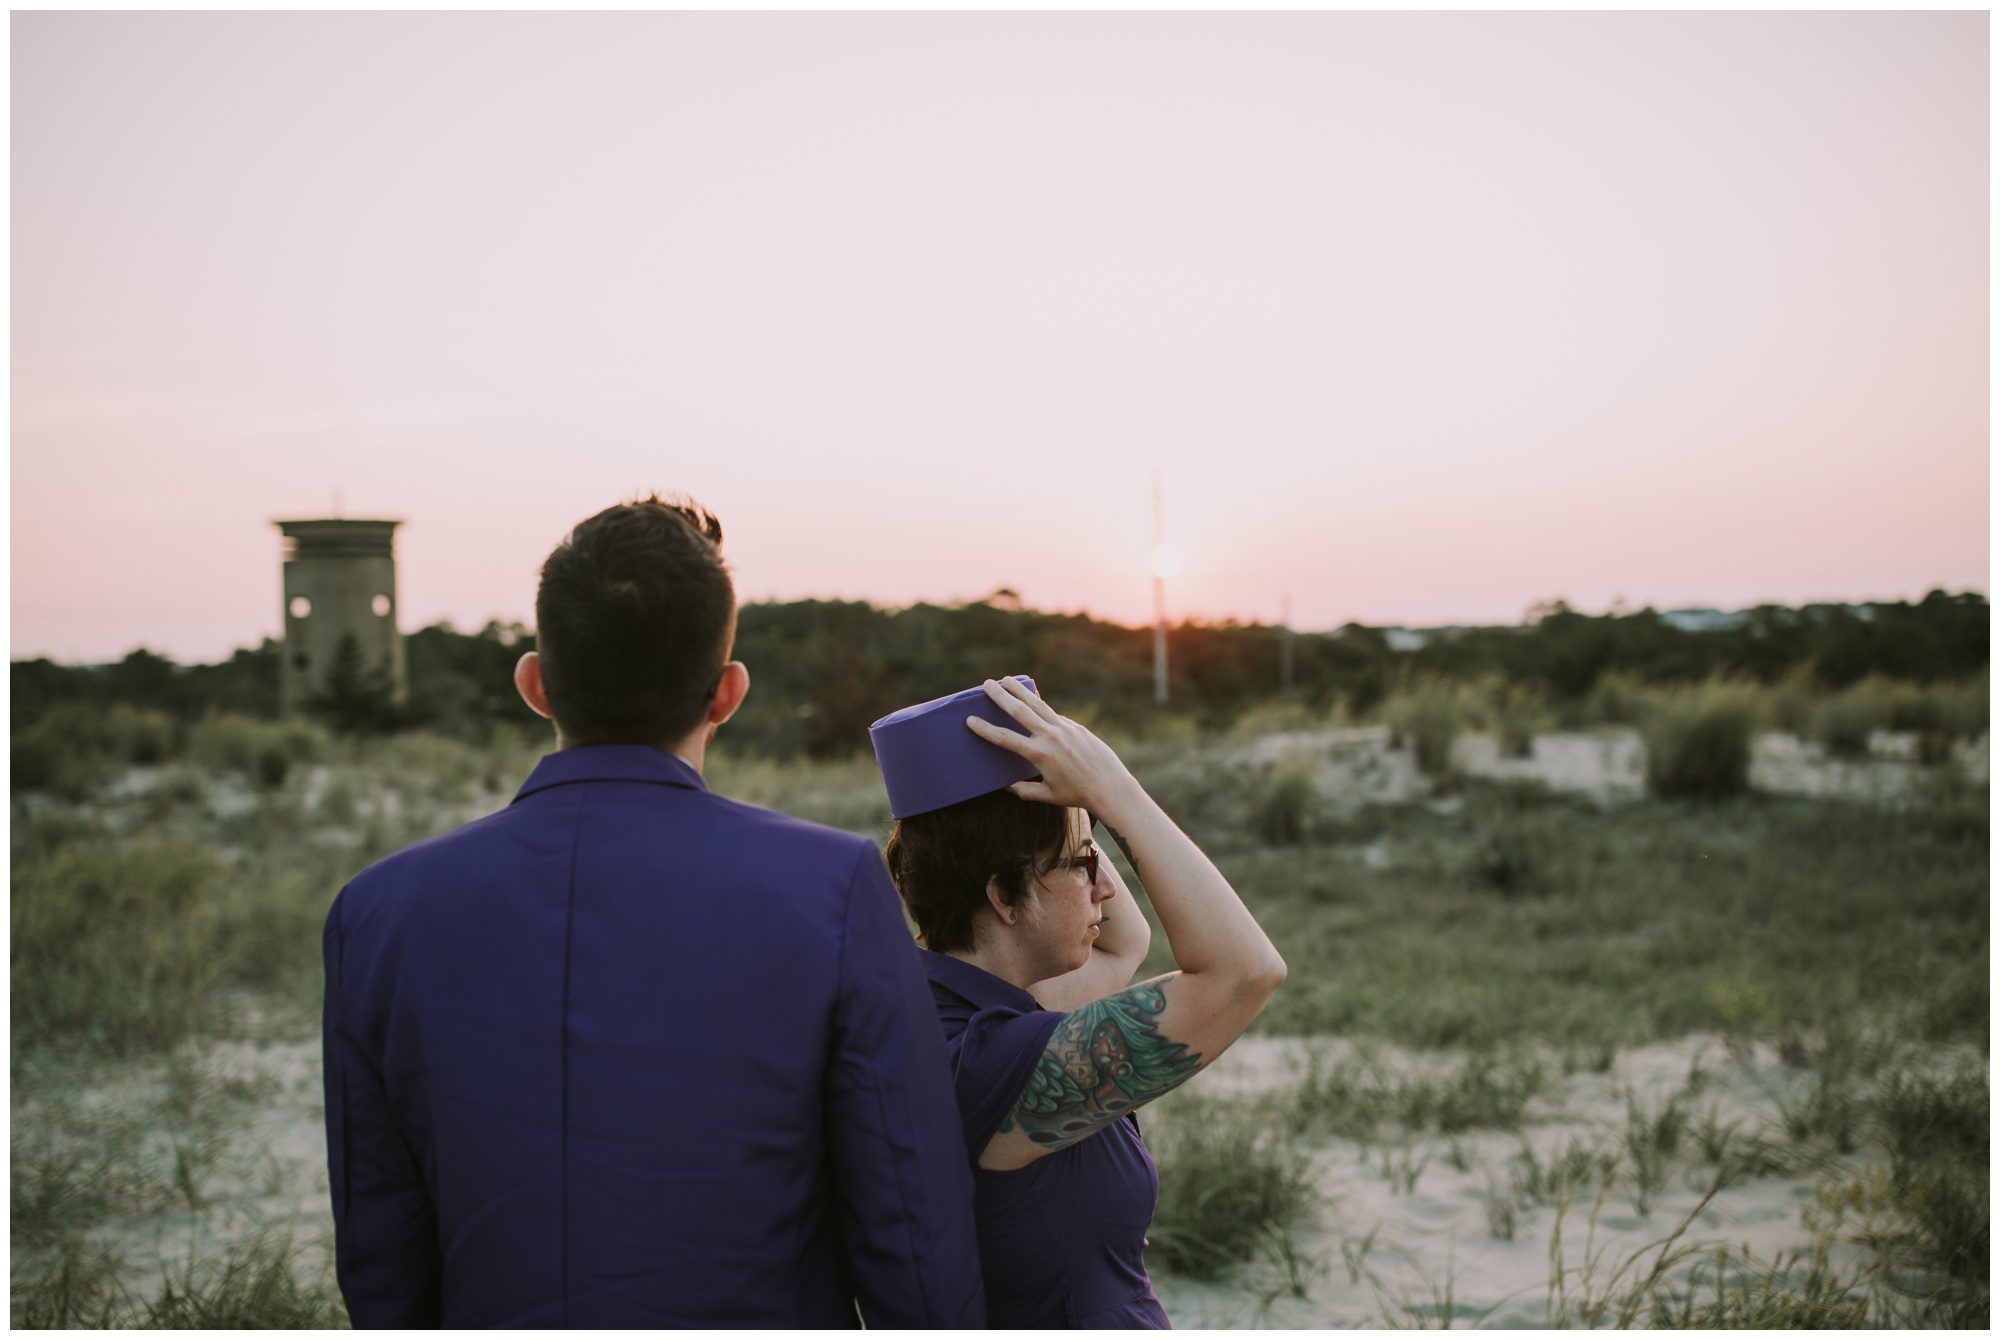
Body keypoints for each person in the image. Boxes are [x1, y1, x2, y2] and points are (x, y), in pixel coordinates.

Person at [321, 494, 985, 1328]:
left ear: (535, 685)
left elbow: (380, 1254)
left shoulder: (377, 914)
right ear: (727, 694)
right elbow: (912, 1231)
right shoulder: (833, 887)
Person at [868, 674, 1287, 1328]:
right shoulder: (985, 1063)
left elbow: (1124, 946)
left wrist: (1066, 791)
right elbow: (1245, 973)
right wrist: (1116, 792)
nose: (1106, 891)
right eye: (1083, 864)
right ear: (1005, 898)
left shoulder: (953, 1006)